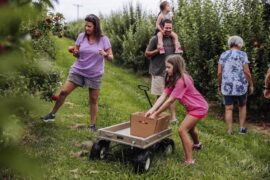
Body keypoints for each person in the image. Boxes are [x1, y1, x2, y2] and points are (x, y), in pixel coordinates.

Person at [41, 14, 113, 131]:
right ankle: (52, 115)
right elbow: (77, 52)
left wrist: (105, 55)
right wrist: (75, 53)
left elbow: (111, 57)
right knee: (63, 92)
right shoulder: (81, 37)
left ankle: (92, 125)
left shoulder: (104, 40)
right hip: (78, 70)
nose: (86, 28)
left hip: (94, 74)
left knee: (93, 99)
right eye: (85, 26)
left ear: (96, 26)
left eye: (89, 26)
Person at [145, 55, 208, 165]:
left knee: (182, 130)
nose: (166, 69)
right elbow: (164, 95)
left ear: (176, 67)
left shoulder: (181, 81)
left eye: (168, 67)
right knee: (191, 129)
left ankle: (189, 161)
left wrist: (156, 114)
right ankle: (197, 145)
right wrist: (152, 109)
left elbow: (170, 101)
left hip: (199, 108)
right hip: (193, 107)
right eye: (166, 67)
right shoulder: (173, 78)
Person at [217, 35, 253, 135]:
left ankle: (229, 130)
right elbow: (246, 71)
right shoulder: (242, 55)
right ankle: (241, 129)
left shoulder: (223, 55)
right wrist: (251, 84)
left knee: (228, 108)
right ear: (239, 44)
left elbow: (219, 73)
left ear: (230, 44)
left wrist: (219, 85)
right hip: (240, 85)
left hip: (227, 86)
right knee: (242, 106)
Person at [145, 19, 178, 123]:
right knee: (160, 95)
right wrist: (157, 51)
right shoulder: (155, 39)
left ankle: (173, 118)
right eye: (166, 27)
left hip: (170, 72)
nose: (168, 30)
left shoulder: (172, 39)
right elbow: (147, 54)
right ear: (161, 27)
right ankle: (157, 115)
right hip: (158, 71)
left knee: (172, 96)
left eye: (170, 28)